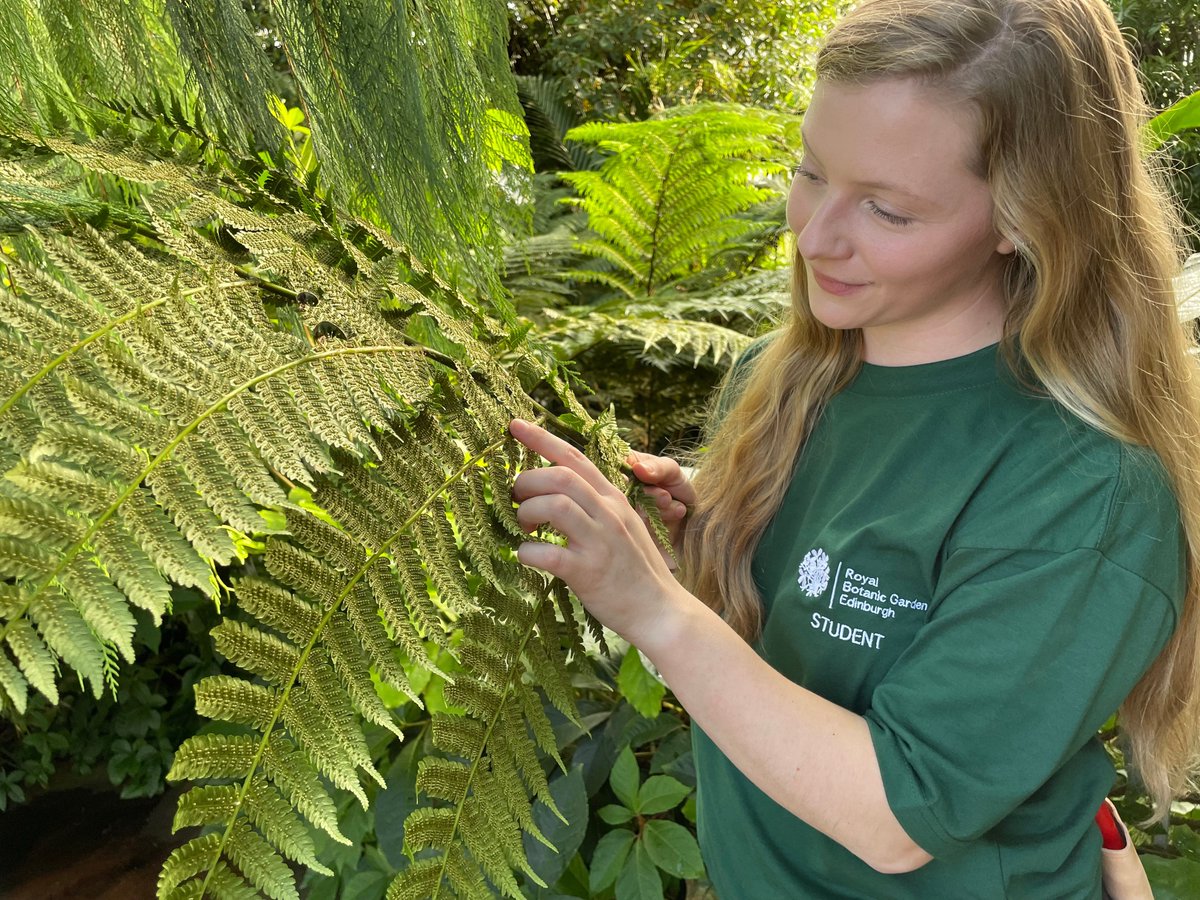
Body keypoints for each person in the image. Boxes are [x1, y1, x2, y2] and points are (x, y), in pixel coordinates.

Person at [508, 0, 1200, 895]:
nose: (815, 233)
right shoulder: (781, 378)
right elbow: (774, 671)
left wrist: (654, 609)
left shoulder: (1085, 491)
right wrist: (699, 550)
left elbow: (897, 815)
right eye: (809, 172)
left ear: (1024, 219)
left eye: (887, 210)